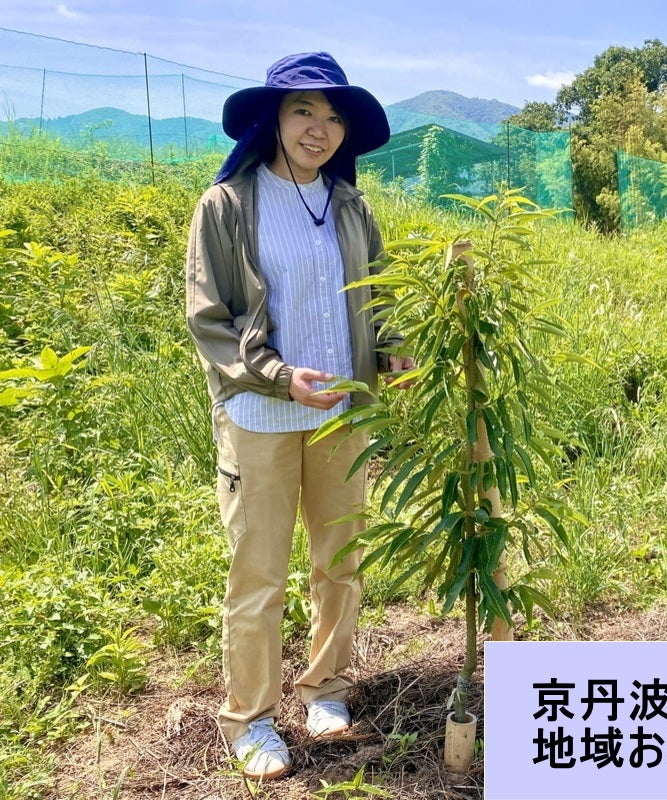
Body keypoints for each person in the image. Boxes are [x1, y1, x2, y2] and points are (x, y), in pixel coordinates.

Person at [185, 51, 407, 781]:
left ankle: (326, 688)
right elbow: (211, 321)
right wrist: (280, 377)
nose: (320, 128)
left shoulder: (349, 206)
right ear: (273, 120)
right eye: (303, 110)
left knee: (339, 562)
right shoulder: (228, 205)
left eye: (333, 116)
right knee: (259, 573)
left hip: (341, 414)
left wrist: (393, 348)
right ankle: (250, 718)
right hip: (260, 414)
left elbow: (378, 294)